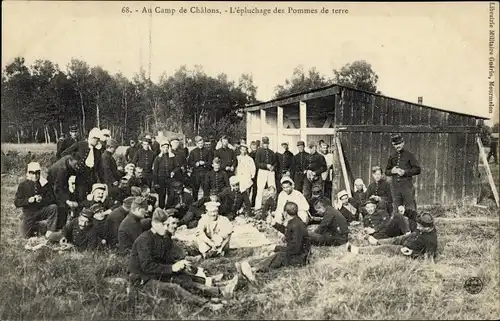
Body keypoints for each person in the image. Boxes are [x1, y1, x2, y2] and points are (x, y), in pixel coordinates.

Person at [128, 210, 240, 302]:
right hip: (143, 279)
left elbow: (165, 258)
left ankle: (219, 291)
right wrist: (172, 268)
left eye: (168, 224)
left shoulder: (162, 237)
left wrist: (181, 264)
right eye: (165, 225)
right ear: (154, 224)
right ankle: (207, 305)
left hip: (155, 274)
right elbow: (147, 266)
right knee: (175, 288)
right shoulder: (144, 240)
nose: (167, 228)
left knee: (183, 278)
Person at [237, 202, 311, 282]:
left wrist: (276, 247)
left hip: (300, 258)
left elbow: (295, 249)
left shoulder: (296, 225)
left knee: (279, 255)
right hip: (298, 254)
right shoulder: (295, 221)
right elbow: (288, 233)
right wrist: (274, 224)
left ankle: (254, 269)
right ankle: (248, 264)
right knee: (275, 255)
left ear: (285, 213)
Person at [347, 212, 438, 261]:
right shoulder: (421, 229)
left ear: (427, 227)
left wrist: (412, 253)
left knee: (387, 248)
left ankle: (358, 250)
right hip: (410, 239)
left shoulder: (431, 241)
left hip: (406, 249)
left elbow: (429, 258)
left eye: (420, 227)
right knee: (394, 239)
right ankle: (376, 242)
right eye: (418, 225)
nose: (418, 227)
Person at [14, 162, 59, 238]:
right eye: (32, 173)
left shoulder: (44, 184)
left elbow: (52, 199)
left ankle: (50, 232)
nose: (35, 176)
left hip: (41, 211)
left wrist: (42, 200)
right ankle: (37, 225)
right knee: (25, 236)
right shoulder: (23, 185)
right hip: (29, 214)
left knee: (53, 208)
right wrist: (28, 200)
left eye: (37, 173)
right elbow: (17, 202)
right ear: (27, 174)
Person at [61, 127, 103, 198]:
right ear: (93, 138)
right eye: (97, 140)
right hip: (79, 175)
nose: (98, 142)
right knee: (80, 196)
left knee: (91, 197)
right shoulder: (80, 144)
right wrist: (73, 163)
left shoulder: (98, 151)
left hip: (91, 177)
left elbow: (98, 167)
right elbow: (64, 153)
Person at [385, 134, 421, 211]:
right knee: (396, 209)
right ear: (393, 145)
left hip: (407, 187)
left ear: (403, 143)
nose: (398, 146)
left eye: (399, 144)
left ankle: (411, 222)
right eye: (395, 144)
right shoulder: (392, 156)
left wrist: (405, 172)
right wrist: (392, 171)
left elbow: (418, 170)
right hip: (395, 188)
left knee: (410, 208)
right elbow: (386, 172)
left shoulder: (409, 155)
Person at [47, 154, 82, 230]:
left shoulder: (70, 162)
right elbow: (58, 188)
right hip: (53, 185)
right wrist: (66, 200)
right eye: (76, 164)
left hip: (63, 184)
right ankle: (60, 228)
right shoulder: (62, 169)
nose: (77, 166)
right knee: (62, 206)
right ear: (70, 161)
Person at [152, 140, 178, 209]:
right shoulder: (158, 158)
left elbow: (177, 167)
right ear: (161, 148)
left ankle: (169, 208)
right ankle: (161, 209)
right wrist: (155, 183)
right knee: (161, 195)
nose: (165, 149)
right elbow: (155, 172)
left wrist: (173, 172)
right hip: (161, 180)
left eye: (167, 147)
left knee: (171, 194)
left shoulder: (172, 157)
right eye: (164, 147)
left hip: (170, 179)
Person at [254, 136, 277, 211]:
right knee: (260, 189)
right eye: (264, 143)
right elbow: (257, 163)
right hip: (262, 171)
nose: (265, 145)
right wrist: (266, 165)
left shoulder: (271, 152)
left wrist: (273, 167)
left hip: (270, 172)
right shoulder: (259, 151)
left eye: (267, 143)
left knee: (272, 188)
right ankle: (257, 206)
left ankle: (272, 206)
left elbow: (275, 162)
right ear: (262, 143)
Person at [188, 136, 213, 201]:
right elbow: (189, 163)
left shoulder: (208, 151)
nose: (201, 144)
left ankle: (205, 204)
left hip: (205, 173)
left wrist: (204, 163)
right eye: (199, 143)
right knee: (195, 191)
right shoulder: (193, 152)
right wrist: (196, 164)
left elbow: (210, 163)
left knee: (206, 190)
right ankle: (195, 205)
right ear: (196, 144)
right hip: (196, 174)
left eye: (202, 143)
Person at [248, 141, 259, 206]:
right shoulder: (249, 155)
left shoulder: (258, 154)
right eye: (252, 147)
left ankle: (253, 203)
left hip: (257, 173)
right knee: (248, 188)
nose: (254, 148)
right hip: (250, 174)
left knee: (255, 189)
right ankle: (247, 203)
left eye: (255, 147)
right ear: (250, 147)